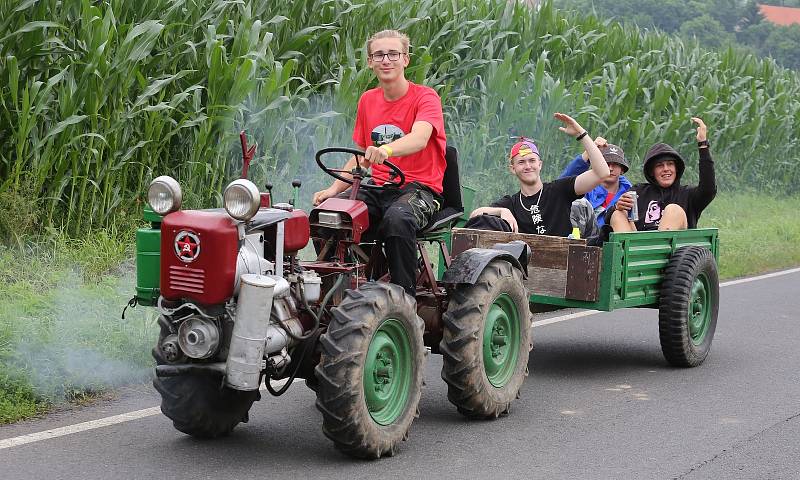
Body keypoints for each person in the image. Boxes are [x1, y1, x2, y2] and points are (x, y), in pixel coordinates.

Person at [311, 29, 446, 296]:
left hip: (420, 190)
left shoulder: (425, 97)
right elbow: (361, 157)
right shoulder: (368, 100)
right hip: (380, 188)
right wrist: (332, 190)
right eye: (379, 55)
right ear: (370, 62)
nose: (386, 60)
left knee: (398, 219)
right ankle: (339, 293)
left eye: (393, 54)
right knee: (327, 215)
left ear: (406, 59)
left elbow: (420, 138)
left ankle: (403, 299)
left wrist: (386, 150)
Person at [467, 113, 610, 236]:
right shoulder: (511, 203)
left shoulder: (559, 189)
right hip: (524, 266)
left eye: (532, 161)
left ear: (539, 164)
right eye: (521, 162)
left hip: (562, 262)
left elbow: (602, 173)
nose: (528, 166)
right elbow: (475, 215)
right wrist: (501, 211)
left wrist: (581, 133)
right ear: (513, 168)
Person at [608, 117, 716, 232]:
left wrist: (703, 146)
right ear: (651, 171)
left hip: (675, 247)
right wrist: (616, 207)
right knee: (618, 214)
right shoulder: (638, 191)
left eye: (670, 164)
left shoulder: (688, 194)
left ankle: (658, 248)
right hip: (637, 246)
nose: (666, 169)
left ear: (676, 168)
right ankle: (626, 249)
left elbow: (708, 189)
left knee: (673, 209)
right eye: (659, 165)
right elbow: (609, 219)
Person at [560, 137, 632, 236]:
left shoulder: (630, 195)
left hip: (613, 244)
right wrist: (587, 153)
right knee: (579, 203)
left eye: (615, 164)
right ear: (597, 166)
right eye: (606, 163)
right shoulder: (586, 188)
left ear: (622, 170)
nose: (610, 168)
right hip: (583, 241)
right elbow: (561, 185)